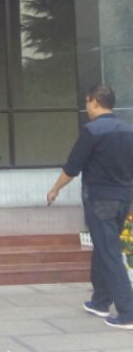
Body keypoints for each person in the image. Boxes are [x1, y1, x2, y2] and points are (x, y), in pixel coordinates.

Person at [47, 84, 133, 329]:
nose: (86, 107)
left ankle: (127, 312)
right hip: (123, 199)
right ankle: (100, 301)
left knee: (109, 252)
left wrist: (55, 189)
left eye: (87, 102)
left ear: (95, 102)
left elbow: (72, 167)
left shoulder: (92, 131)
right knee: (104, 247)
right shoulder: (129, 130)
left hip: (100, 200)